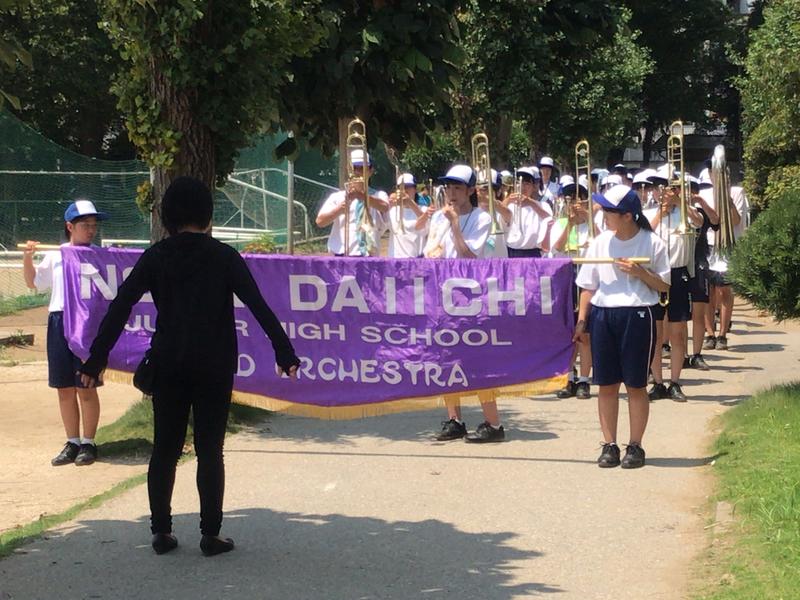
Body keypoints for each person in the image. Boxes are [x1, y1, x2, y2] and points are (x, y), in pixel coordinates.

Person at [77, 177, 300, 557]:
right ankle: (211, 535)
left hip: (168, 362)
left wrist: (96, 358)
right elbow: (258, 305)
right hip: (215, 364)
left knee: (164, 449)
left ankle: (161, 532)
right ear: (208, 216)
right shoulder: (224, 257)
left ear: (167, 216)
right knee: (210, 449)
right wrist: (284, 352)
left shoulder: (156, 256)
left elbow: (121, 306)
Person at [574, 184, 670, 469]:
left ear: (627, 215)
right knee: (606, 384)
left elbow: (665, 286)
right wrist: (582, 320)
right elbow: (588, 286)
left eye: (609, 211)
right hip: (604, 314)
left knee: (635, 384)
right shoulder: (600, 242)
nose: (603, 215)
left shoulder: (652, 242)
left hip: (638, 313)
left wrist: (641, 273)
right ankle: (610, 444)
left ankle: (635, 445)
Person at [422, 165, 505, 443]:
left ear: (470, 190)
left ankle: (493, 423)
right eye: (448, 187)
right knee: (446, 357)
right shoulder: (438, 217)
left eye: (458, 188)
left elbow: (469, 256)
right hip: (442, 293)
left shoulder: (482, 218)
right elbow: (430, 250)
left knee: (477, 358)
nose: (452, 193)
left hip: (471, 297)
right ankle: (454, 419)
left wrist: (456, 224)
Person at [22, 200, 107, 467]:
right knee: (64, 388)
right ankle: (72, 441)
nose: (91, 230)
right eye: (85, 225)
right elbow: (33, 283)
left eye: (93, 225)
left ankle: (89, 442)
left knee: (86, 386)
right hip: (59, 320)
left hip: (86, 324)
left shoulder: (99, 256)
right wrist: (28, 257)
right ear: (70, 227)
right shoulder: (56, 255)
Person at [645, 175, 704, 402]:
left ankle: (675, 382)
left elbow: (699, 222)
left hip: (678, 273)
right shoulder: (650, 213)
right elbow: (644, 235)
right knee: (656, 333)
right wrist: (660, 214)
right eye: (659, 188)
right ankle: (658, 382)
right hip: (656, 274)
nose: (664, 192)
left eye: (669, 188)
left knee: (677, 332)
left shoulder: (686, 211)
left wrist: (680, 203)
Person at [550, 176, 596, 399]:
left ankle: (585, 380)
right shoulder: (559, 223)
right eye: (569, 198)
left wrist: (588, 218)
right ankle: (568, 378)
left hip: (588, 278)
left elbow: (603, 244)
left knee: (585, 333)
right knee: (568, 334)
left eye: (579, 198)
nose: (574, 203)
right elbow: (556, 248)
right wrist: (569, 223)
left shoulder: (593, 224)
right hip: (566, 278)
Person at [315, 149, 389, 256]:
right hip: (341, 254)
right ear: (349, 170)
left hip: (368, 255)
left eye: (362, 168)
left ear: (370, 171)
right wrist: (338, 210)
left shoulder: (379, 195)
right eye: (354, 168)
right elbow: (320, 222)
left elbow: (385, 207)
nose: (358, 172)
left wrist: (361, 195)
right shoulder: (337, 197)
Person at [703, 182, 748, 350]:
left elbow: (736, 221)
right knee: (709, 292)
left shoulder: (737, 192)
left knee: (724, 290)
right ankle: (710, 334)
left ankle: (722, 334)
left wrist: (728, 202)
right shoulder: (704, 193)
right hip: (708, 244)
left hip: (728, 244)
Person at [503, 167, 553, 257]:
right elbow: (497, 214)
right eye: (518, 183)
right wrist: (508, 200)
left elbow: (550, 219)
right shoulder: (509, 205)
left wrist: (531, 203)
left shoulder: (543, 205)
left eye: (527, 184)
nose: (522, 187)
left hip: (533, 253)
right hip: (511, 252)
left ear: (533, 187)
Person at [387, 173, 427, 258]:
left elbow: (427, 226)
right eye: (400, 187)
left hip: (416, 260)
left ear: (415, 189)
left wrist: (410, 203)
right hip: (395, 259)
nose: (404, 190)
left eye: (408, 186)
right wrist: (389, 205)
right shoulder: (392, 210)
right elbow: (379, 227)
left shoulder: (424, 209)